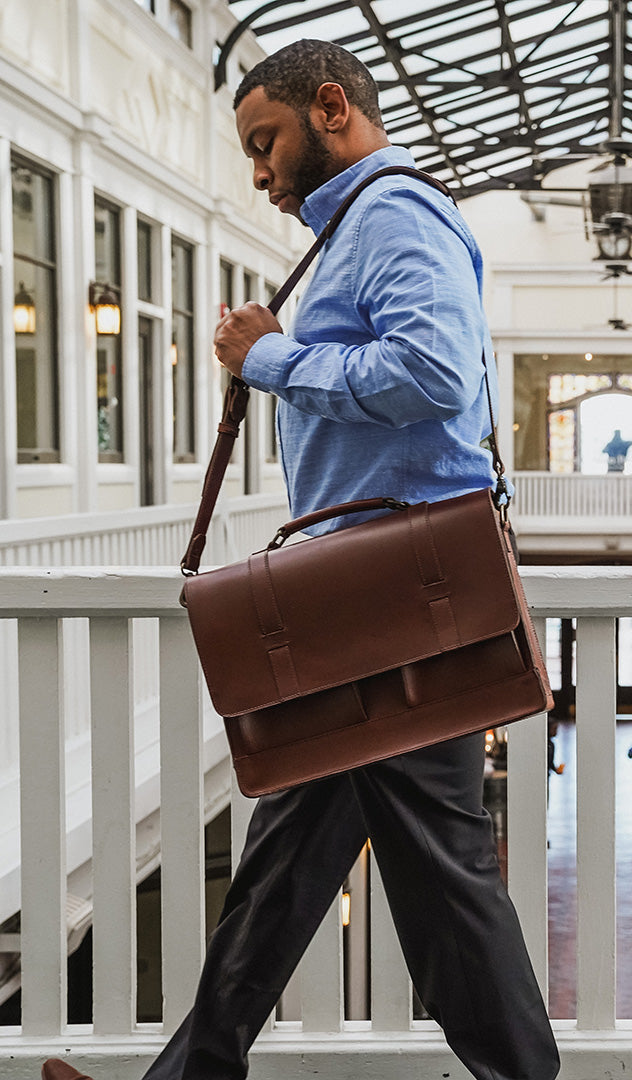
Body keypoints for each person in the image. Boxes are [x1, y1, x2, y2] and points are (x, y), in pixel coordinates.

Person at [43, 38, 559, 1080]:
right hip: (371, 603)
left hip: (397, 601)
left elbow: (434, 374)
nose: (260, 173)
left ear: (333, 109)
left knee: (446, 887)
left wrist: (269, 359)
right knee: (284, 870)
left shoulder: (395, 215)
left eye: (264, 143)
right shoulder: (353, 231)